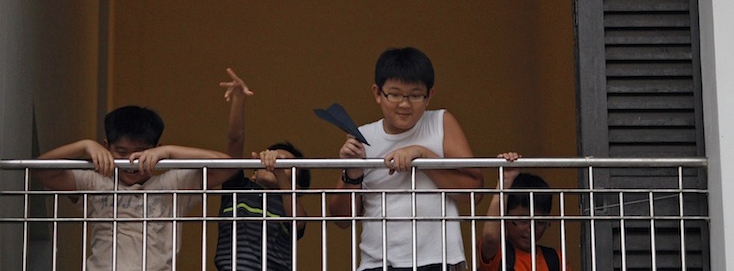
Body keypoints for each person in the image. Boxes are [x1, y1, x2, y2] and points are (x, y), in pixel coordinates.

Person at [328, 47, 484, 271]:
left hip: (439, 259)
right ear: (377, 93)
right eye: (395, 94)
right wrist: (352, 172)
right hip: (377, 262)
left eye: (415, 95)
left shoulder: (440, 122)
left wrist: (423, 155)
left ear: (429, 95)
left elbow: (474, 191)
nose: (404, 104)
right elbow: (341, 219)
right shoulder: (364, 136)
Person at [35, 104, 233, 271]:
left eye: (141, 153)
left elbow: (226, 167)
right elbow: (41, 172)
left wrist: (169, 152)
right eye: (121, 152)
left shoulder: (172, 185)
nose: (130, 161)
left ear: (156, 150)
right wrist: (84, 146)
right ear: (106, 148)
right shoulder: (94, 183)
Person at [214, 68, 310, 271]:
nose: (276, 162)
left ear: (297, 187)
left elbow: (299, 221)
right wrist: (239, 100)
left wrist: (279, 174)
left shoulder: (288, 206)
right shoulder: (238, 187)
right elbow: (235, 139)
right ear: (254, 171)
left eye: (286, 164)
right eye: (274, 156)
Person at [479, 154, 569, 271]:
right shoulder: (499, 253)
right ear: (505, 216)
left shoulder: (556, 259)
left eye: (540, 222)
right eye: (523, 220)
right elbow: (490, 237)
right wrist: (506, 181)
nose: (531, 228)